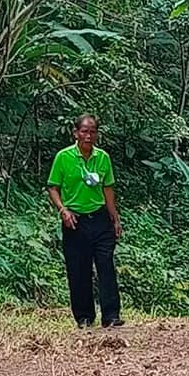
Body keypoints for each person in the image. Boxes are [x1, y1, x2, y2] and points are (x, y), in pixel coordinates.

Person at [47, 114, 123, 329]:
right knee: (78, 269)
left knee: (105, 265)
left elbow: (107, 188)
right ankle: (84, 317)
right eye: (84, 131)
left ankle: (111, 315)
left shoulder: (103, 158)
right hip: (75, 221)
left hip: (99, 219)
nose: (88, 136)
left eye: (92, 132)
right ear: (76, 133)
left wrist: (114, 218)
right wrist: (63, 209)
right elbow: (53, 187)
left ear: (96, 134)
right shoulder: (64, 157)